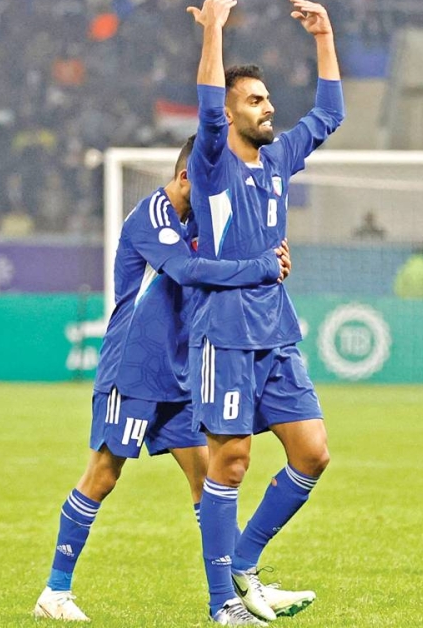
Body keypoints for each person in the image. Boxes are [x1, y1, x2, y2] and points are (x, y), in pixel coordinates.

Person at [33, 137, 291, 622]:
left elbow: (235, 256)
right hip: (134, 368)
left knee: (206, 479)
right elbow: (189, 271)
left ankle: (236, 589)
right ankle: (55, 591)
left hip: (179, 373)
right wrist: (259, 267)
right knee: (104, 475)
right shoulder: (151, 216)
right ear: (187, 176)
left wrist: (273, 262)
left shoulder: (203, 221)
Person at [186, 0, 345, 625]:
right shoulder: (212, 164)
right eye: (254, 100)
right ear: (229, 113)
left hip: (276, 331)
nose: (268, 106)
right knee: (231, 463)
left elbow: (329, 113)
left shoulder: (278, 159)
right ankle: (222, 603)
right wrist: (214, 32)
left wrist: (324, 37)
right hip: (224, 335)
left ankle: (244, 562)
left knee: (312, 452)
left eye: (268, 97)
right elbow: (206, 104)